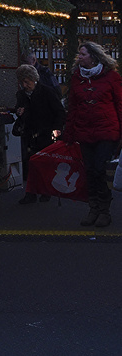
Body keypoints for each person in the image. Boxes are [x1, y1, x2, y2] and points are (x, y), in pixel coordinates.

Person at [63, 41, 122, 228]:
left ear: (94, 56)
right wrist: (69, 133)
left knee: (99, 169)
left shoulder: (111, 77)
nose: (79, 57)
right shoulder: (77, 78)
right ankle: (93, 208)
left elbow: (120, 104)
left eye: (83, 54)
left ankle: (104, 210)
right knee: (89, 171)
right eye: (79, 54)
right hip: (84, 130)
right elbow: (73, 106)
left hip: (107, 130)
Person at [15, 63, 65, 204]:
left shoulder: (47, 92)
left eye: (27, 81)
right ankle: (31, 193)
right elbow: (19, 108)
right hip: (30, 132)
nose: (25, 85)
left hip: (45, 132)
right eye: (22, 82)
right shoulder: (21, 95)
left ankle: (44, 191)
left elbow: (59, 111)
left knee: (44, 163)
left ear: (34, 79)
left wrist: (57, 128)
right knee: (30, 164)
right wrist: (19, 111)